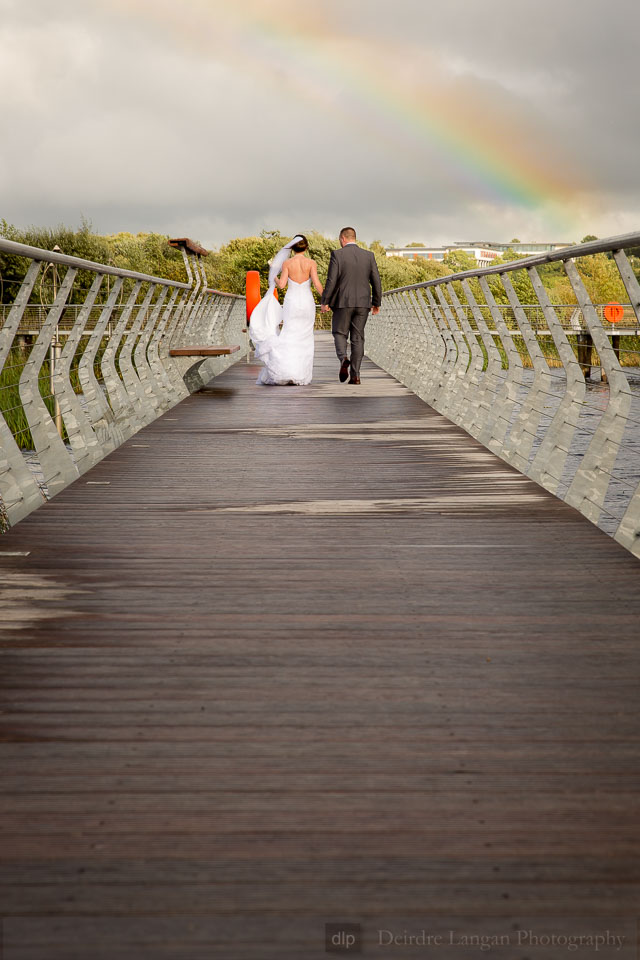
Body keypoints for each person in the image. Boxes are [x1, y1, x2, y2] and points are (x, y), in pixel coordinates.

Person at [249, 235, 323, 386]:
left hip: (292, 302)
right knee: (305, 336)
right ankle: (301, 374)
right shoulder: (311, 263)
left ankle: (286, 370)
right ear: (306, 247)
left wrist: (274, 276)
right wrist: (326, 300)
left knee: (289, 333)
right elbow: (316, 284)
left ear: (292, 248)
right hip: (307, 302)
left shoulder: (287, 263)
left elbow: (282, 285)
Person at [320, 227, 382, 385]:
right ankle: (356, 376)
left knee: (339, 333)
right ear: (354, 238)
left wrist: (325, 301)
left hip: (343, 302)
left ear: (342, 239)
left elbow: (331, 280)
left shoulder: (337, 255)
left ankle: (343, 359)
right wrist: (376, 303)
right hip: (363, 303)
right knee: (358, 338)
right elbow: (376, 281)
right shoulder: (369, 256)